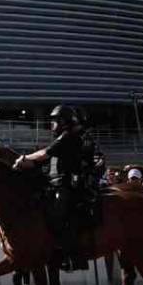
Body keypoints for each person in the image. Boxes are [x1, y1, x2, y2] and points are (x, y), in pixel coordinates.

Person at [13, 105, 91, 270]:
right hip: (54, 183)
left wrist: (24, 158)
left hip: (66, 185)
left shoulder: (69, 137)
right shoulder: (63, 137)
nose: (52, 125)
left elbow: (44, 154)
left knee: (58, 214)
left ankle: (71, 255)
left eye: (55, 121)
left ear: (64, 122)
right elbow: (45, 157)